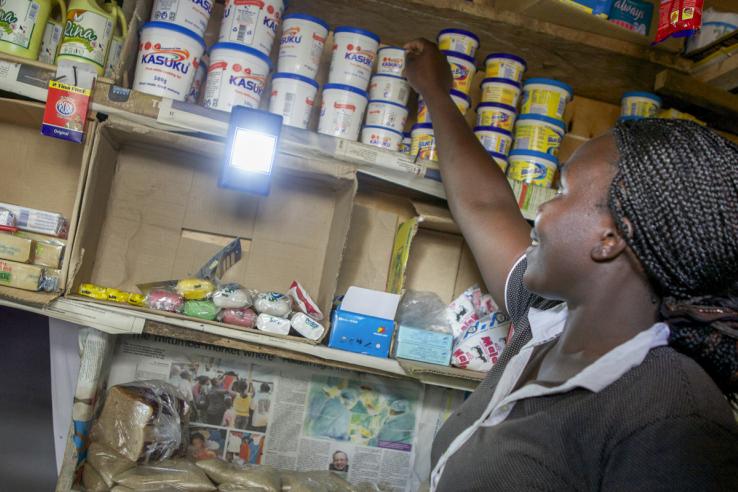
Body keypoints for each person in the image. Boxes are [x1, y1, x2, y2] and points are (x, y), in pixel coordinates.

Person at [403, 39, 738, 491]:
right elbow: (484, 205)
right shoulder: (545, 321)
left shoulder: (672, 415)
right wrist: (436, 94)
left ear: (611, 238)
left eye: (560, 191)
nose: (539, 211)